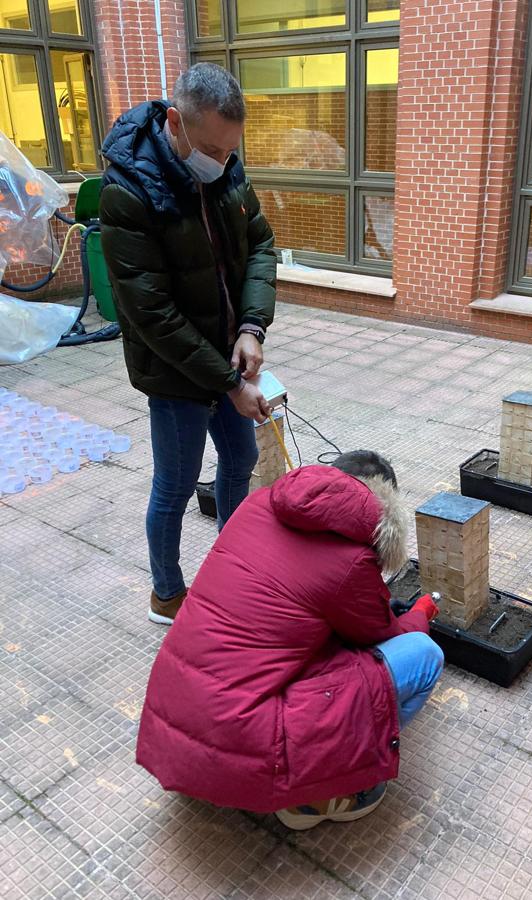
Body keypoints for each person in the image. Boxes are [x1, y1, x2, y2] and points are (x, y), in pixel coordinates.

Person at [136, 451, 444, 830]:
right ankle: (321, 793)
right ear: (383, 511)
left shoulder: (256, 504)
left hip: (173, 723)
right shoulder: (350, 560)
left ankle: (293, 771)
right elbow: (382, 636)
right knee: (424, 656)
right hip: (239, 734)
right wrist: (419, 615)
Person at [99, 63, 276, 626]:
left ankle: (234, 564)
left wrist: (251, 327)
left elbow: (261, 246)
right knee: (175, 485)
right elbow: (150, 312)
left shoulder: (225, 169)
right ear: (175, 122)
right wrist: (227, 382)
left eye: (230, 151)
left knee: (242, 457)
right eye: (210, 150)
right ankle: (167, 593)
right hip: (176, 371)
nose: (220, 163)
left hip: (226, 357)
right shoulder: (128, 191)